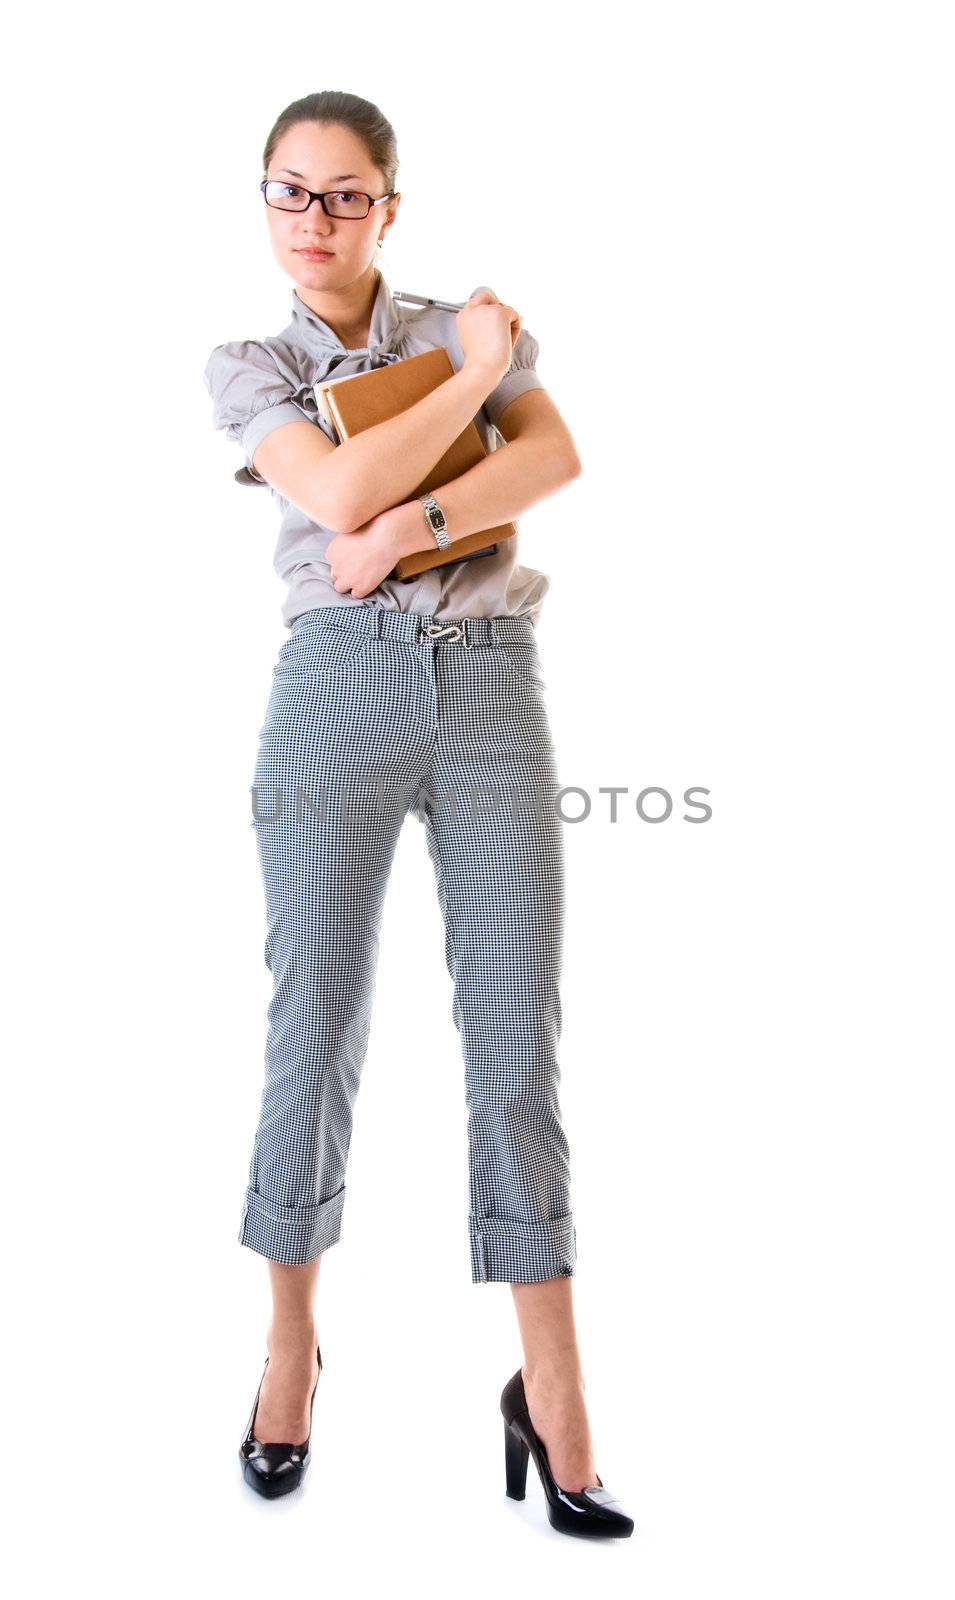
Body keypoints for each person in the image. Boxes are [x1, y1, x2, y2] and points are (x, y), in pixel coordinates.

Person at [203, 89, 633, 1537]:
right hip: (337, 687)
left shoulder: (467, 313)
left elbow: (554, 461)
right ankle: (288, 1351)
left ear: (391, 205)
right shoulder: (252, 361)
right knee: (311, 1022)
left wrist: (411, 526)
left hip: (495, 680)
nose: (313, 221)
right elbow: (335, 494)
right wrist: (453, 406)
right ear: (264, 201)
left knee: (518, 1038)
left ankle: (555, 1397)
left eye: (343, 196)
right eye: (288, 191)